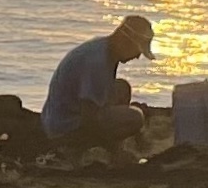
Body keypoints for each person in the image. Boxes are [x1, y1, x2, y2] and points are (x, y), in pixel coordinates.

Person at [43, 12, 155, 151]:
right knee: (135, 118)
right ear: (124, 41)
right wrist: (112, 149)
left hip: (65, 112)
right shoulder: (97, 62)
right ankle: (93, 147)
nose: (138, 56)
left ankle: (111, 143)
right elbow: (88, 117)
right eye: (137, 50)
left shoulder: (105, 49)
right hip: (65, 126)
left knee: (122, 87)